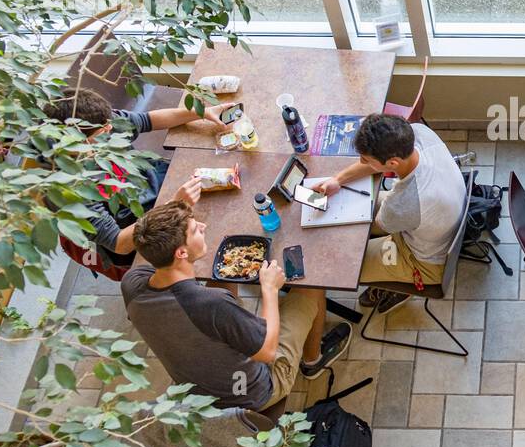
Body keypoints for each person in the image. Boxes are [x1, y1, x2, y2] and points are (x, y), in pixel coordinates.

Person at [122, 201, 352, 410]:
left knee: (220, 275)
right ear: (181, 252)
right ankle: (313, 360)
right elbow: (267, 351)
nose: (202, 227)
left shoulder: (132, 283)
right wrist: (269, 290)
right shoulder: (212, 304)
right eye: (194, 230)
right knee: (312, 285)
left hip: (194, 389)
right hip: (250, 392)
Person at [43, 89, 226, 265]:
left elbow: (147, 120)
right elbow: (119, 244)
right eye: (103, 132)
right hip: (141, 230)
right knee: (216, 245)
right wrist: (172, 206)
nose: (110, 129)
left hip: (158, 185)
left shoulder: (101, 123)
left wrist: (202, 113)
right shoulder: (66, 189)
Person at [312, 114, 465, 316]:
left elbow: (382, 222)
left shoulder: (404, 202)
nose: (361, 161)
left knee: (344, 265)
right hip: (435, 215)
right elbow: (390, 211)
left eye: (366, 159)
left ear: (392, 163)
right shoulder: (418, 133)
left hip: (423, 262)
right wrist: (337, 180)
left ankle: (398, 283)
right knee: (363, 207)